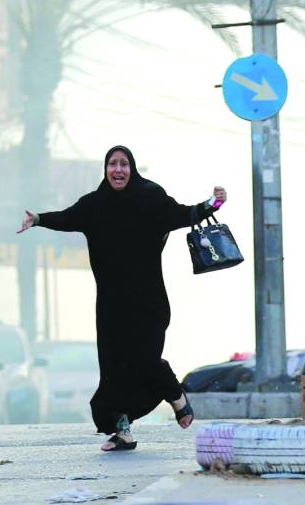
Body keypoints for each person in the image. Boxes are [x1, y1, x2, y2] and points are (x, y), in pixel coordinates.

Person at [17, 145, 227, 451]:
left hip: (149, 304)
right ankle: (122, 431)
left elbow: (183, 214)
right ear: (105, 170)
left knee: (144, 361)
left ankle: (177, 398)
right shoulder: (94, 205)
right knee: (114, 374)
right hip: (111, 309)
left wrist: (213, 203)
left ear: (132, 168)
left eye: (124, 164)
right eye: (112, 164)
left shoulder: (150, 198)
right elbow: (66, 218)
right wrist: (37, 219)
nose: (118, 170)